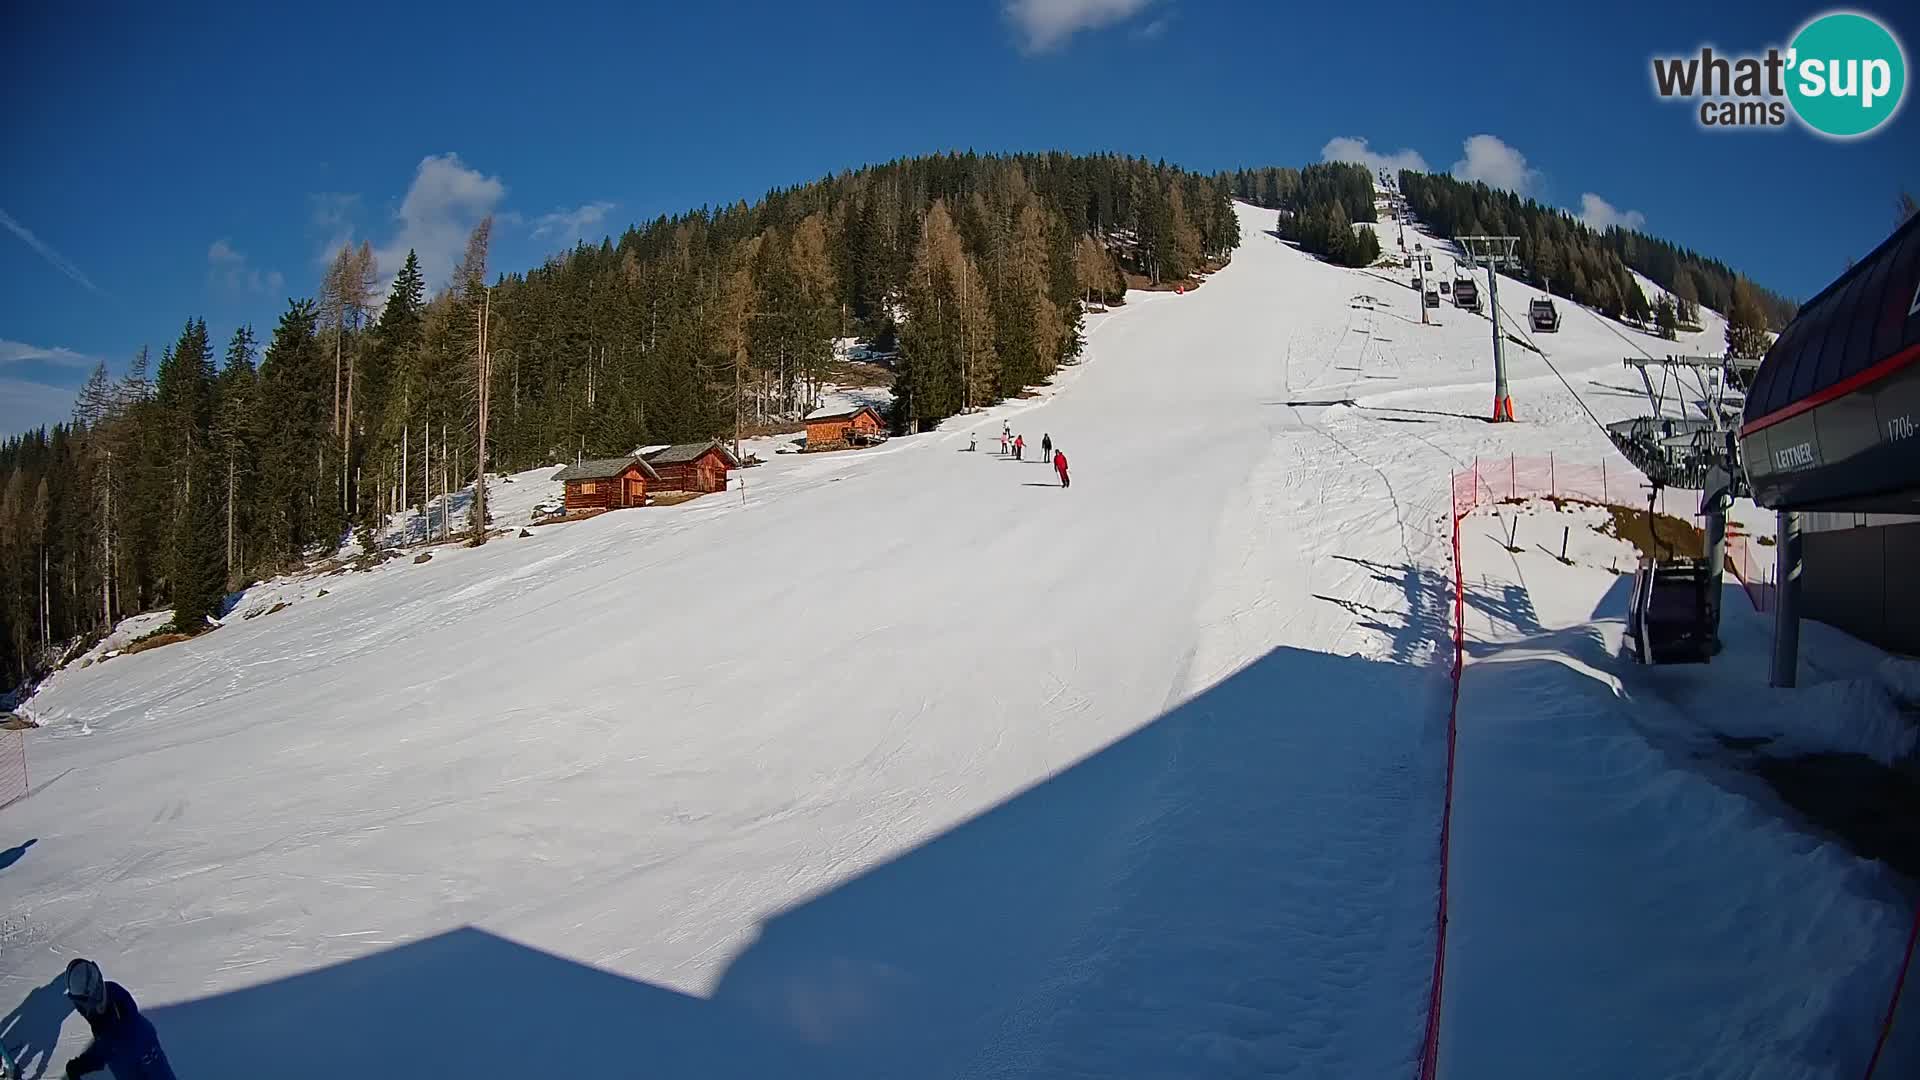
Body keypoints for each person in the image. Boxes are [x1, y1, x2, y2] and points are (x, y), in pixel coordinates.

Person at [62, 958, 177, 1079]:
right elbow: (104, 1046)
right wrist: (82, 1064)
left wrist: (83, 1064)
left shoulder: (139, 1035)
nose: (96, 989)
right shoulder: (101, 1013)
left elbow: (162, 1073)